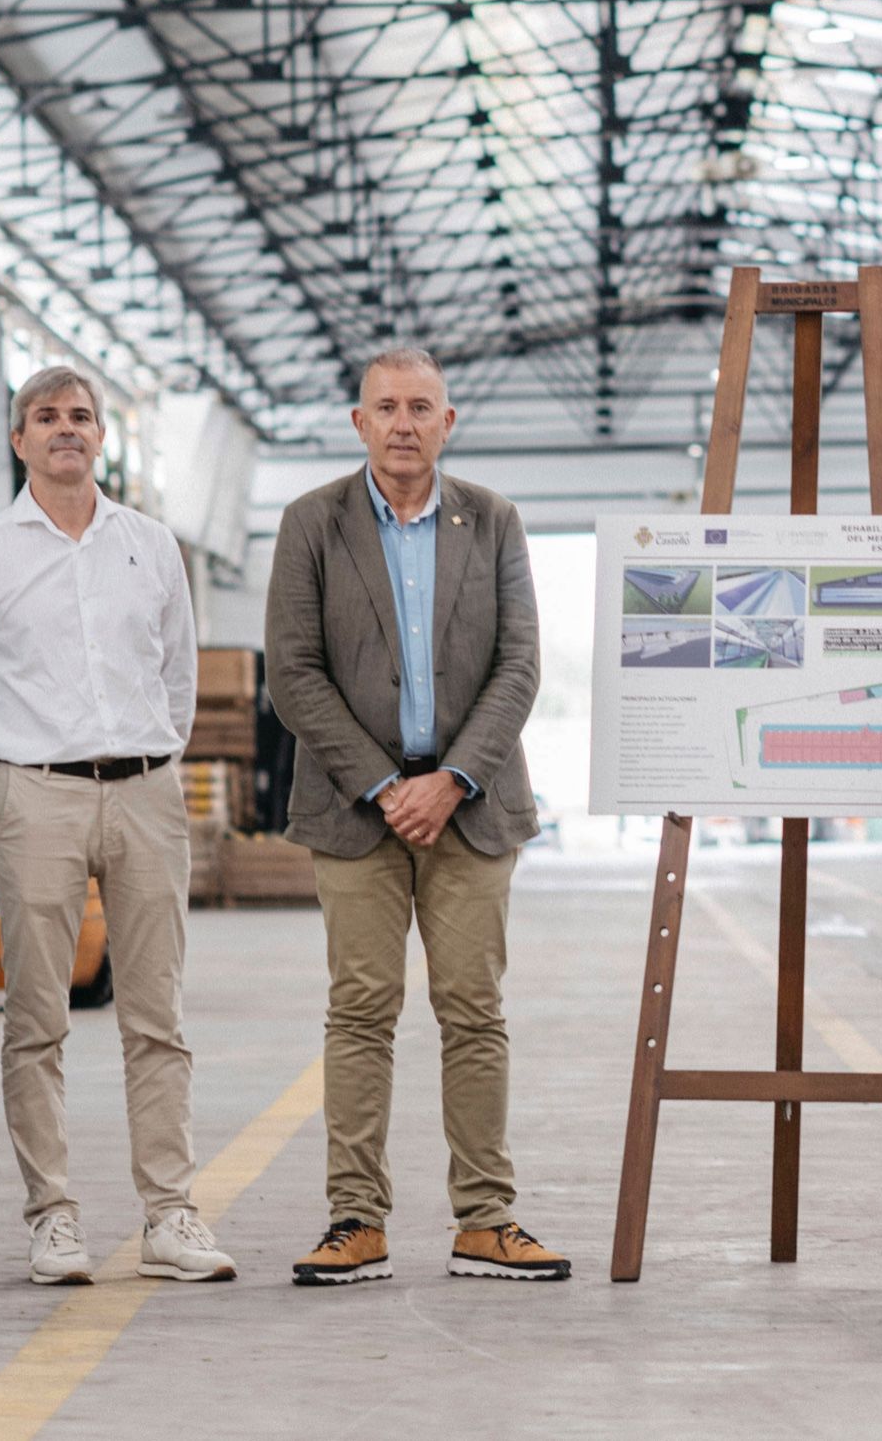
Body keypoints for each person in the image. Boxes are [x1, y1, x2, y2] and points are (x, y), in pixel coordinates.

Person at [265, 347, 568, 1286]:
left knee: (474, 1013)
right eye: (386, 407)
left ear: (448, 423)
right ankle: (355, 1217)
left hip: (469, 811)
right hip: (357, 812)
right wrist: (385, 784)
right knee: (360, 1010)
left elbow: (520, 665)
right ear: (359, 424)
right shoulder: (313, 522)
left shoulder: (496, 521)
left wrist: (453, 779)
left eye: (421, 408)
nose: (403, 423)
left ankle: (486, 1217)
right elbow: (293, 673)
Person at [0, 366, 234, 1286]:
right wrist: (23, 785)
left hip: (145, 789)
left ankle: (170, 1215)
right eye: (46, 417)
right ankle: (52, 1218)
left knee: (157, 1016)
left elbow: (178, 680)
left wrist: (144, 760)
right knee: (36, 1019)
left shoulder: (149, 545)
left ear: (102, 437)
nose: (66, 429)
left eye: (81, 417)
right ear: (19, 439)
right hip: (37, 795)